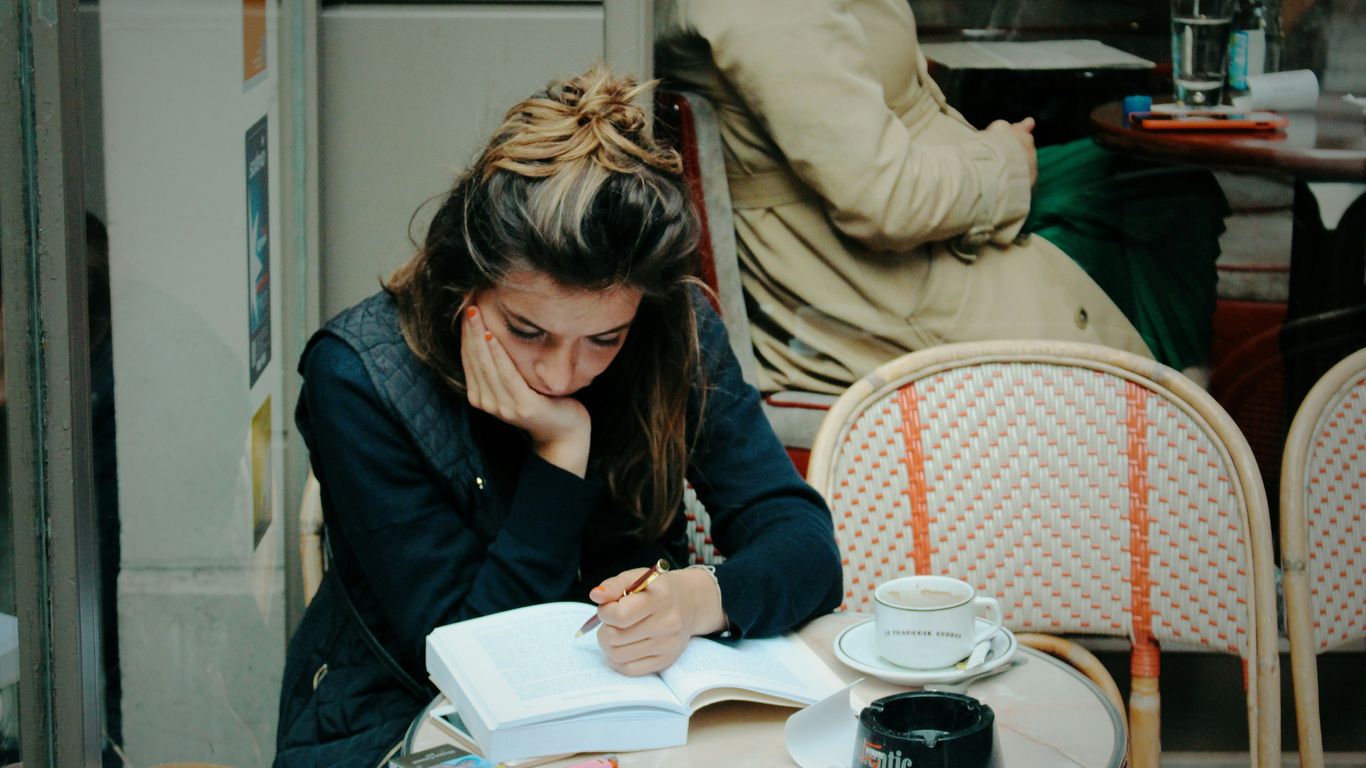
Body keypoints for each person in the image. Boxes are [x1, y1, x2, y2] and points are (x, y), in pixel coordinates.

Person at [272, 65, 844, 768]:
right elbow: (472, 655)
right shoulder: (358, 376)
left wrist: (701, 598)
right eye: (526, 330)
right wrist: (560, 451)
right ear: (465, 280)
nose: (560, 374)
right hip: (403, 720)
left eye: (604, 339)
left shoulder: (674, 329)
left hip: (638, 709)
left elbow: (804, 543)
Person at [654, 0, 1229, 395]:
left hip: (923, 210)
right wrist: (1001, 166)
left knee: (1163, 189)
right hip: (878, 279)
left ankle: (1173, 403)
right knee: (1146, 209)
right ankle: (1164, 435)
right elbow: (881, 198)